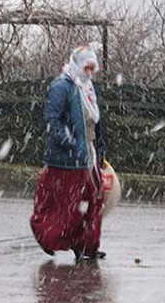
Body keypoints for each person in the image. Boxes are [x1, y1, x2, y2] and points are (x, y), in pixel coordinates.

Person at [30, 45, 106, 261]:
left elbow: (93, 123)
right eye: (86, 68)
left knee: (95, 197)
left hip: (86, 153)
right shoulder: (62, 86)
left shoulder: (87, 87)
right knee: (67, 204)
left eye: (93, 68)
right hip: (67, 157)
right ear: (77, 64)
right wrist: (69, 142)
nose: (89, 73)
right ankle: (49, 236)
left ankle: (87, 244)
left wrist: (97, 148)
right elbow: (53, 118)